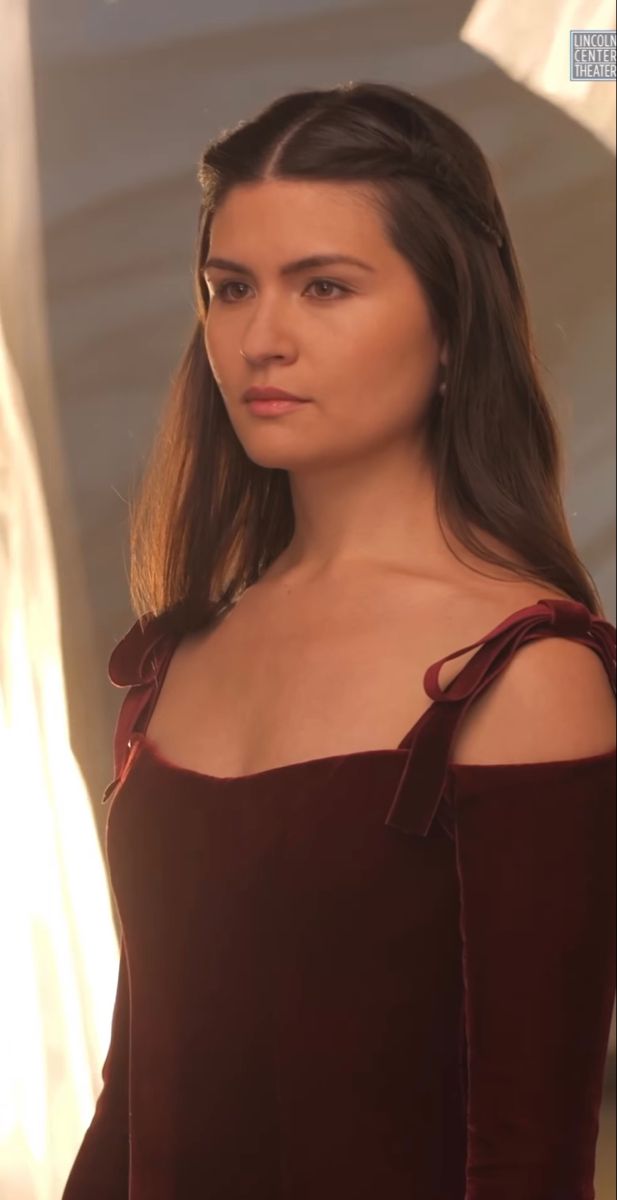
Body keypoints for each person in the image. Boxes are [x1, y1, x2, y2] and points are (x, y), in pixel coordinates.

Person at [62, 81, 616, 1199]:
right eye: (229, 289)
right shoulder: (179, 654)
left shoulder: (526, 673)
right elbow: (135, 1101)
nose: (261, 338)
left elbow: (527, 1157)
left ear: (449, 320)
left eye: (324, 287)